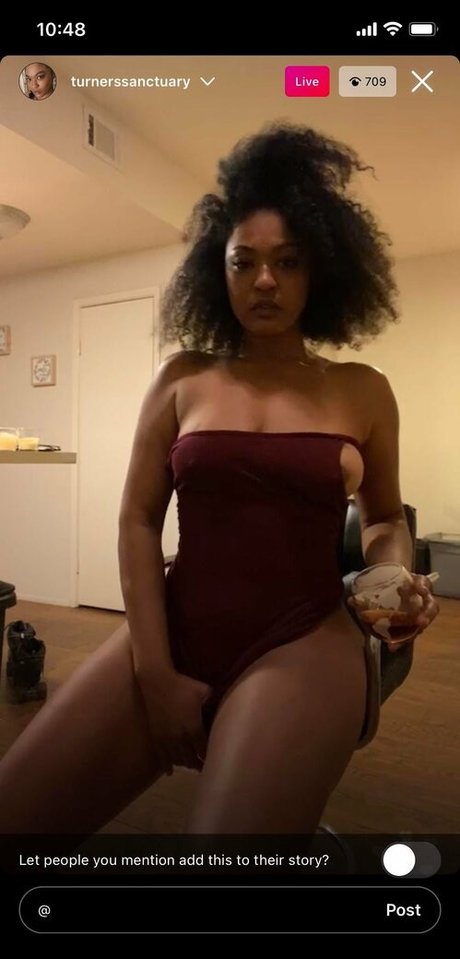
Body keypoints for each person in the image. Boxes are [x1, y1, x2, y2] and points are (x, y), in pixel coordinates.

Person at [0, 122, 439, 836]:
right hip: (174, 625)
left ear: (320, 271)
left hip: (305, 637)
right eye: (244, 262)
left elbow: (385, 516)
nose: (265, 280)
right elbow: (138, 521)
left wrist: (390, 575)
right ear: (219, 271)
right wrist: (154, 673)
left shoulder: (363, 390)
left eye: (288, 261)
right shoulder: (180, 379)